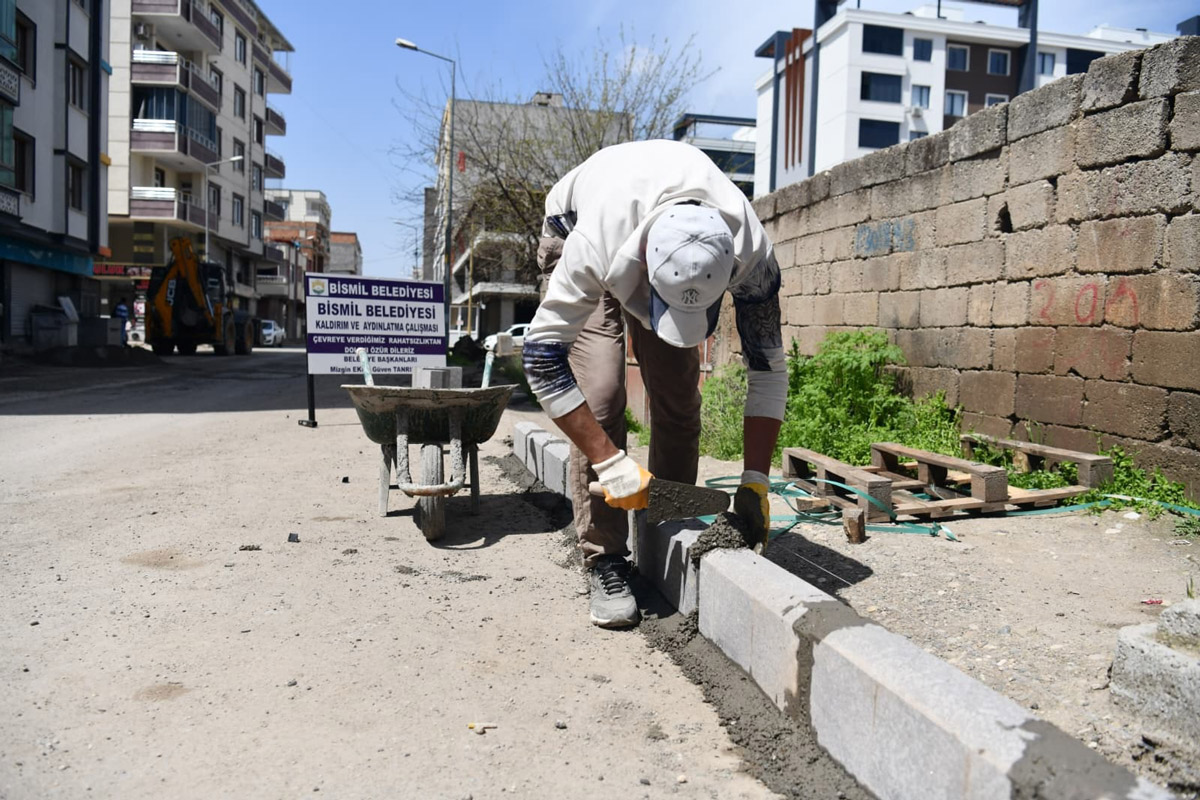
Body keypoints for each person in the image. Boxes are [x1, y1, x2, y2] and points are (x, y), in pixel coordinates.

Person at [522, 140, 787, 629]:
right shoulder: (594, 244)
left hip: (649, 223)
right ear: (644, 266)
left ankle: (669, 527)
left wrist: (756, 479)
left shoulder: (752, 255)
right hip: (576, 219)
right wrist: (608, 460)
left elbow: (768, 369)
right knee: (601, 394)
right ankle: (604, 558)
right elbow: (541, 359)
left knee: (680, 397)